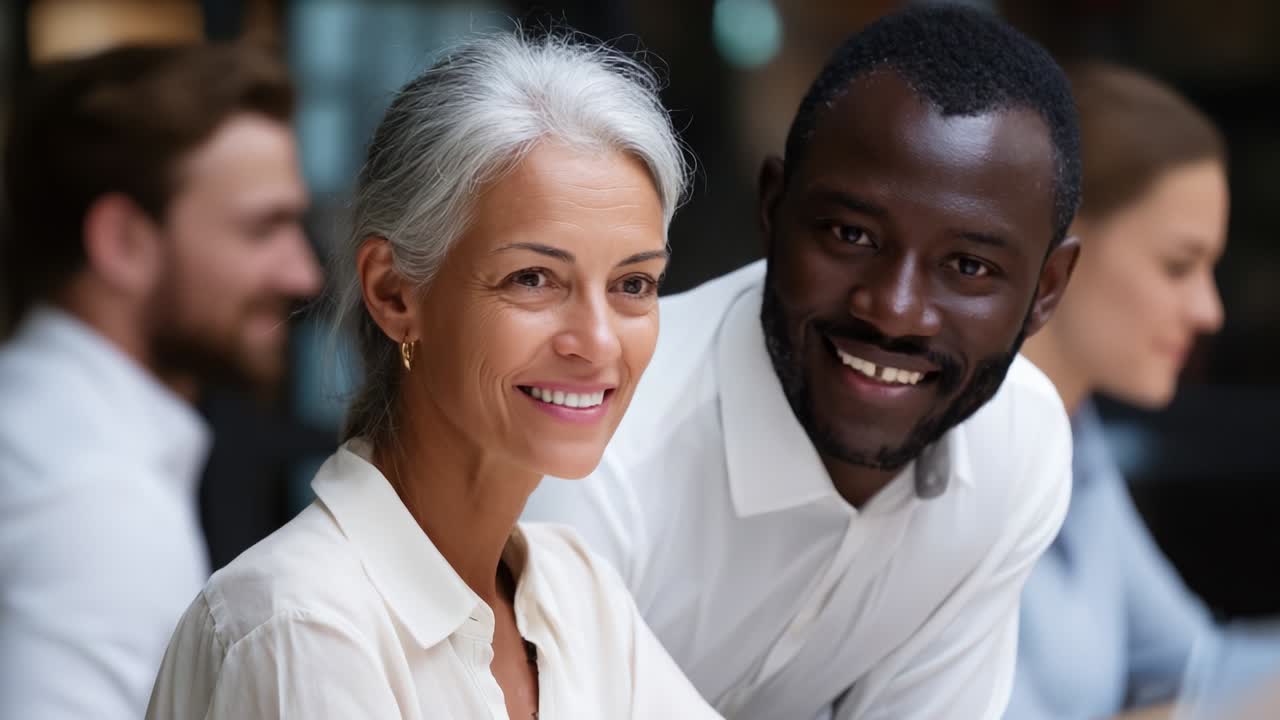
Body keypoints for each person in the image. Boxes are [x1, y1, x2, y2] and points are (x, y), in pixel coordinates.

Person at [524, 5, 1082, 719]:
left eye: (968, 266)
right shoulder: (598, 444)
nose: (894, 309)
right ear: (773, 208)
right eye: (850, 234)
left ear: (1048, 290)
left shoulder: (1018, 447)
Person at [146, 31, 721, 719]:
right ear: (394, 294)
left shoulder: (577, 591)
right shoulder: (302, 625)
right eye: (533, 279)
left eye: (633, 283)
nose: (597, 343)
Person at [0, 45, 321, 720]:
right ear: (123, 242)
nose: (303, 276)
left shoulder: (39, 429)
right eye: (264, 228)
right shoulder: (93, 503)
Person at [1008, 61, 1280, 720]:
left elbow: (1196, 664)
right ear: (1062, 249)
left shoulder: (1075, 437)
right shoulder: (951, 462)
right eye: (1177, 266)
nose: (1209, 311)